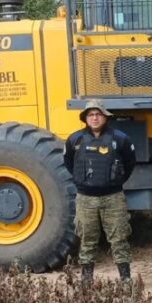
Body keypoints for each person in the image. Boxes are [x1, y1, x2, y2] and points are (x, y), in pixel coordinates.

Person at [64, 99, 136, 285]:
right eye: (91, 115)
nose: (95, 118)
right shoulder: (75, 140)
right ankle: (86, 280)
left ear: (105, 117)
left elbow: (129, 164)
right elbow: (69, 164)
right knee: (87, 239)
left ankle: (125, 279)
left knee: (119, 238)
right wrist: (86, 184)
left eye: (98, 114)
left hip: (113, 198)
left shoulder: (120, 138)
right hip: (85, 200)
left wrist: (112, 183)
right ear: (85, 118)